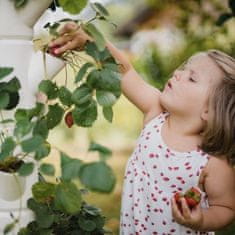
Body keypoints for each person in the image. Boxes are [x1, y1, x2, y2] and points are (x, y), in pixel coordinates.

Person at [49, 22, 235, 234]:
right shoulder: (156, 113)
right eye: (184, 68)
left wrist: (201, 220)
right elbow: (124, 72)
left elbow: (226, 208)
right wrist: (91, 41)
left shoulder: (213, 162)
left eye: (192, 78)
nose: (178, 73)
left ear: (210, 111)